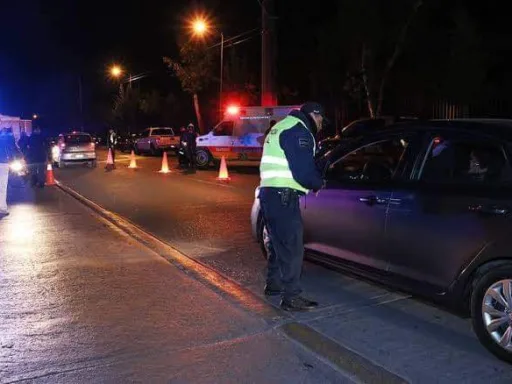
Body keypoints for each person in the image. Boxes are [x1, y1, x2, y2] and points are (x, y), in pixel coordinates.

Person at [258, 102, 325, 311]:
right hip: (283, 196)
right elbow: (303, 173)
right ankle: (291, 297)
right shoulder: (298, 131)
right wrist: (319, 183)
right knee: (293, 248)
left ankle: (274, 285)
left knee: (278, 245)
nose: (322, 125)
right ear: (314, 115)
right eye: (322, 119)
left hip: (269, 194)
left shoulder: (281, 126)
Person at [0, 128, 18, 217]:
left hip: (3, 162)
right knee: (2, 187)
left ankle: (2, 208)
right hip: (3, 162)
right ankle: (2, 208)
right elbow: (12, 147)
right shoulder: (6, 136)